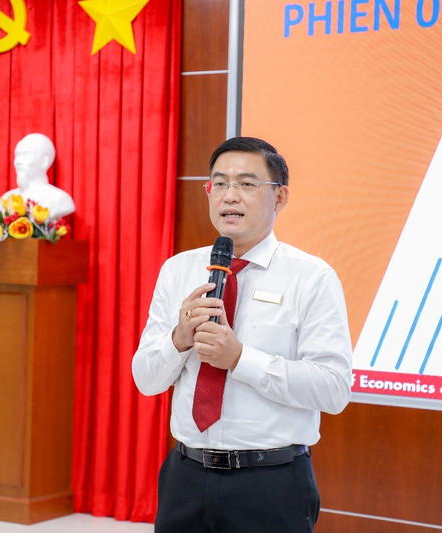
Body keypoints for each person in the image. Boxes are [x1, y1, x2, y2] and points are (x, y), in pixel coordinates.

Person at [132, 137, 353, 532]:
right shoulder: (178, 269)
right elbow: (146, 381)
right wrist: (179, 339)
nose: (229, 195)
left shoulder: (312, 277)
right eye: (219, 183)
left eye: (247, 184)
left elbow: (333, 390)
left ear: (279, 197)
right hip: (185, 475)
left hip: (271, 482)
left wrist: (239, 359)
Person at [1, 133, 75, 219]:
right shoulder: (6, 198)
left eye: (26, 155)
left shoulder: (59, 199)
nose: (18, 162)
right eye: (17, 155)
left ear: (44, 161)